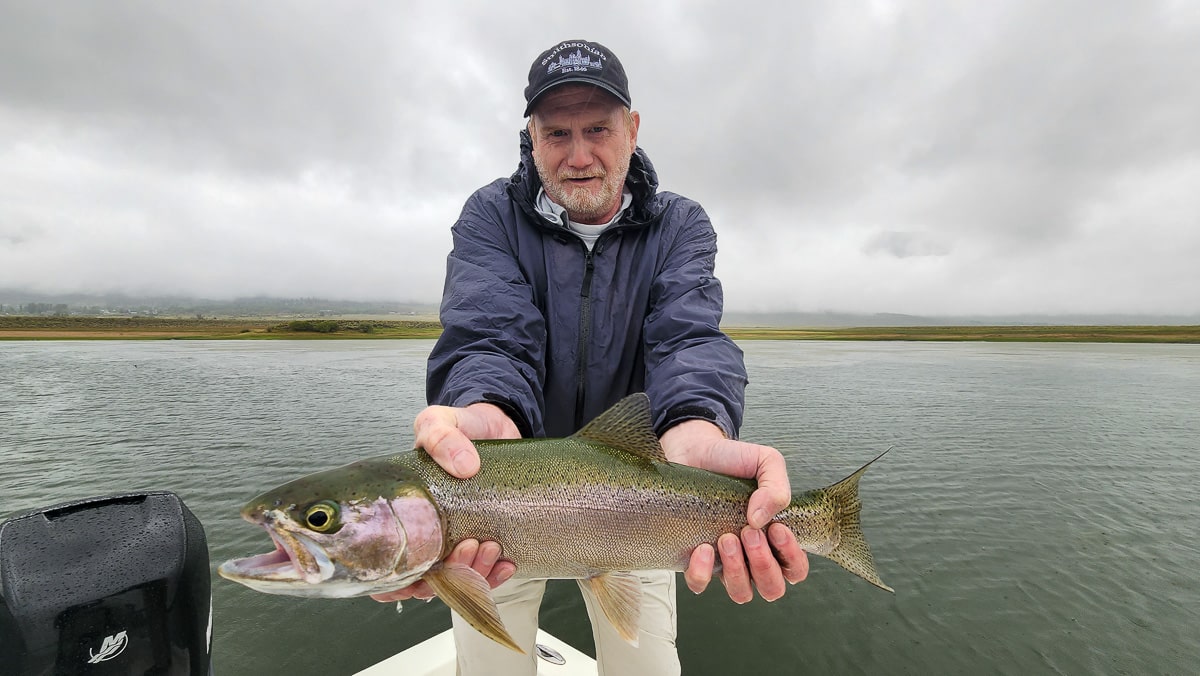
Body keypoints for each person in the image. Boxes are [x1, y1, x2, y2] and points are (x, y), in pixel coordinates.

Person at [372, 39, 808, 675]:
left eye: (597, 128)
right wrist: (487, 412)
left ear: (632, 130)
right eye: (557, 133)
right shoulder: (491, 217)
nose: (578, 156)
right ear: (531, 136)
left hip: (640, 499)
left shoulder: (680, 226)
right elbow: (492, 337)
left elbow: (687, 338)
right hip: (500, 507)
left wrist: (695, 426)